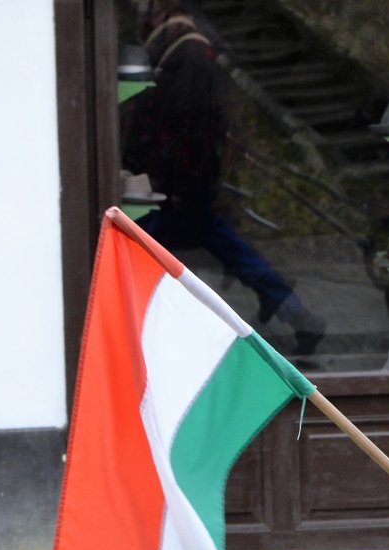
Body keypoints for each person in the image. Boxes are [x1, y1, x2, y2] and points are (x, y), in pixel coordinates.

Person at [123, 0, 324, 354]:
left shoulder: (186, 52)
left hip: (178, 187)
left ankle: (298, 314)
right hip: (179, 184)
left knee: (143, 251)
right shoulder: (181, 47)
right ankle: (296, 313)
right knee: (223, 250)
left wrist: (171, 181)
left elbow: (189, 128)